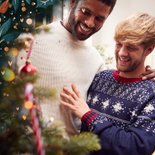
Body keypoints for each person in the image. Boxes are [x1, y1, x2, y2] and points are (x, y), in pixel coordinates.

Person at [30, 0, 155, 136]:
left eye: (99, 18)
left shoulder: (96, 62)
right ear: (72, 3)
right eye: (85, 12)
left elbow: (125, 81)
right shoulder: (32, 40)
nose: (90, 23)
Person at [60, 12, 155, 155]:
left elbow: (136, 147)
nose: (122, 53)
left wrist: (88, 115)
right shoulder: (100, 78)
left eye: (131, 47)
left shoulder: (151, 94)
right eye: (119, 44)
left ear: (149, 49)